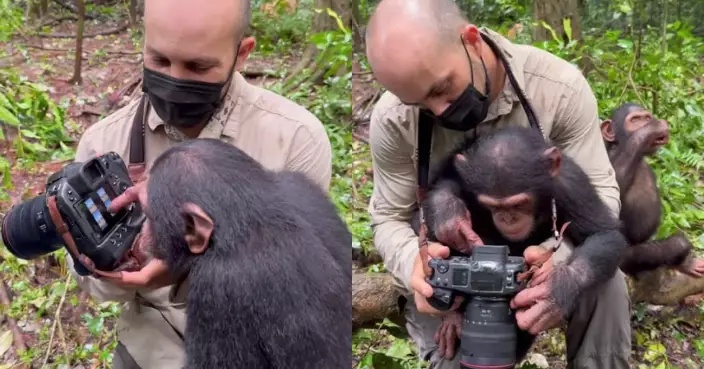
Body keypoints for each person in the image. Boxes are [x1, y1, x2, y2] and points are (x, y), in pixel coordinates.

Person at [66, 0, 333, 368]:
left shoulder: (296, 140)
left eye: (197, 66)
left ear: (242, 54)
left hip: (259, 344)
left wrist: (179, 261)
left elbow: (306, 281)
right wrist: (121, 273)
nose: (174, 79)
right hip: (149, 346)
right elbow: (84, 275)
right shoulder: (103, 143)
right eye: (159, 61)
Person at [364, 0, 631, 368]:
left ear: (471, 40)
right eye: (420, 102)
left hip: (542, 253)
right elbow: (390, 218)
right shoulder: (395, 118)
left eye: (443, 87)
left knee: (605, 280)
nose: (440, 111)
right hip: (459, 265)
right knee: (456, 355)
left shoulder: (559, 87)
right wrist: (425, 269)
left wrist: (563, 266)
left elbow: (601, 206)